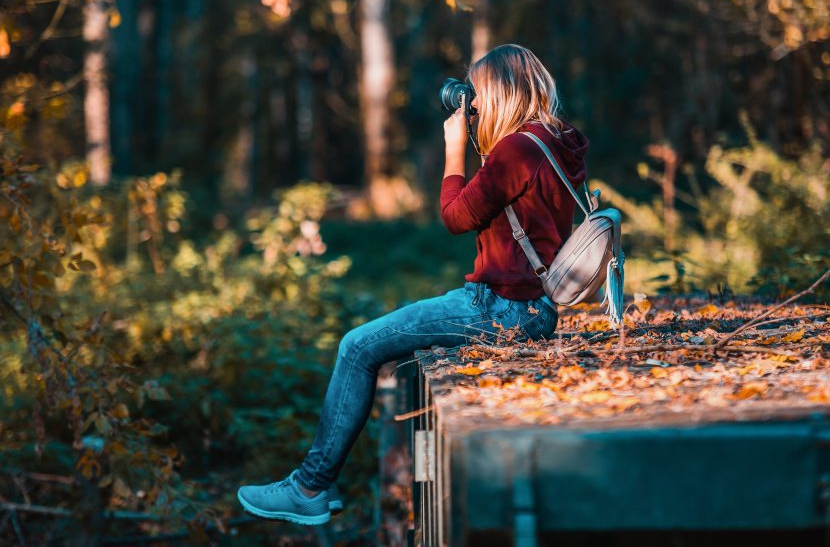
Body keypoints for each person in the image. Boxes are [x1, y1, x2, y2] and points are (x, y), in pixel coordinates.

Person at [236, 43, 590, 525]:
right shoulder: (558, 140)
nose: (475, 105)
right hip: (537, 309)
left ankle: (310, 487)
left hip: (500, 308)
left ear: (501, 92)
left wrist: (453, 149)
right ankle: (312, 485)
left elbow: (455, 217)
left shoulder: (516, 150)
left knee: (357, 346)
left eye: (480, 94)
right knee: (381, 341)